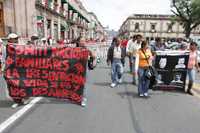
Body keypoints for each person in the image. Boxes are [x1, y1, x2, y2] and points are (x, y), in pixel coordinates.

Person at [75, 36, 96, 107]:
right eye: (81, 41)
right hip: (75, 70)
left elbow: (94, 56)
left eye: (84, 41)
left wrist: (91, 53)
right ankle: (77, 96)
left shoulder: (87, 49)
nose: (83, 42)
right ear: (78, 42)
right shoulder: (73, 50)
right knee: (77, 84)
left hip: (85, 69)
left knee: (84, 84)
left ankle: (83, 99)